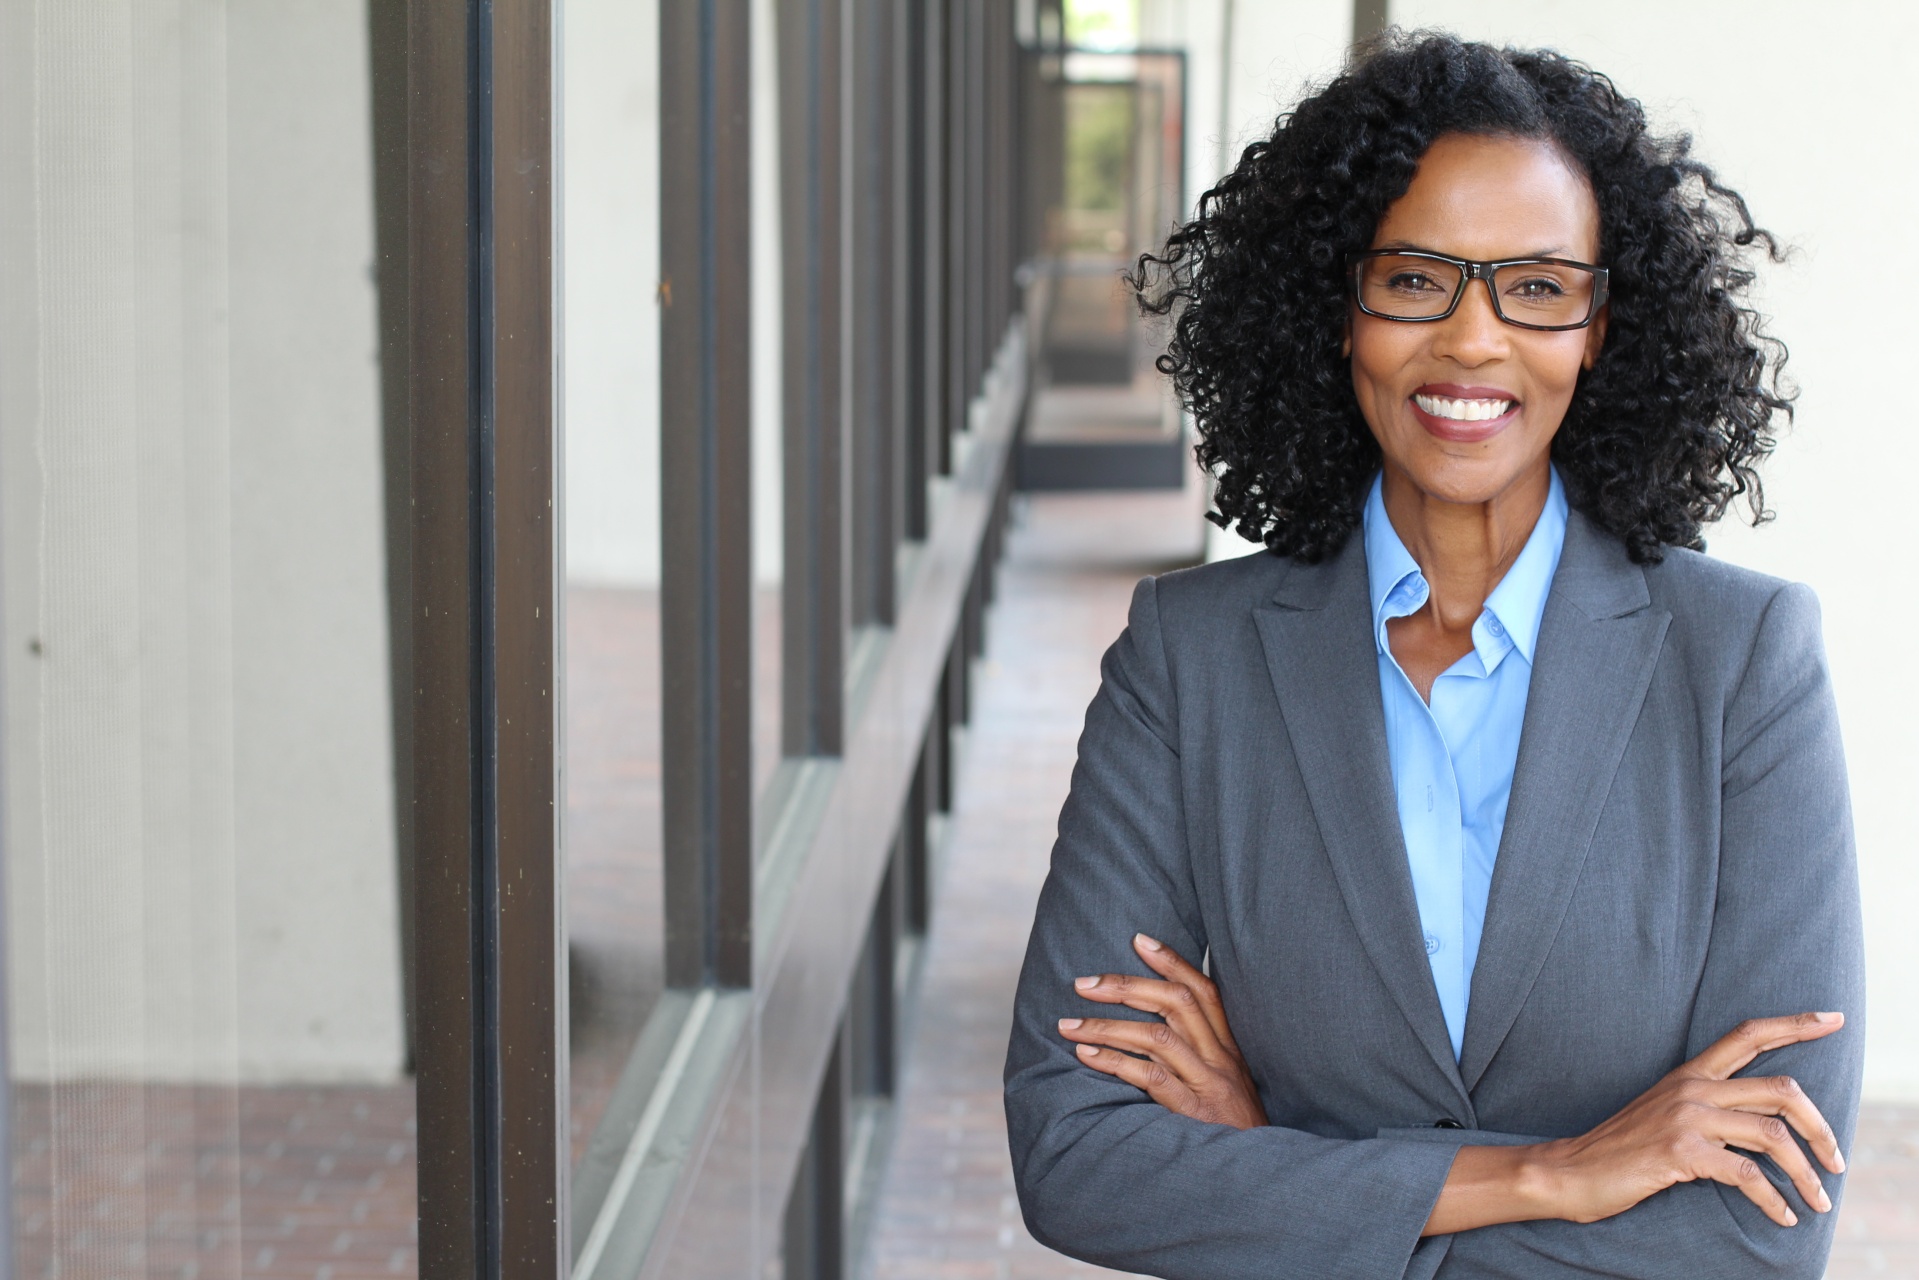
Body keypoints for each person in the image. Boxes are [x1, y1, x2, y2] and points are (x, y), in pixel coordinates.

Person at [1002, 31, 1863, 1280]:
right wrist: (1548, 1174)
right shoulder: (1185, 663)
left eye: (1535, 285)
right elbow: (1074, 1153)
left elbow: (1757, 1231)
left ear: (1598, 327)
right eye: (1414, 280)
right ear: (1337, 305)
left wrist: (1281, 1167)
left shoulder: (1742, 667)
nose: (1470, 341)